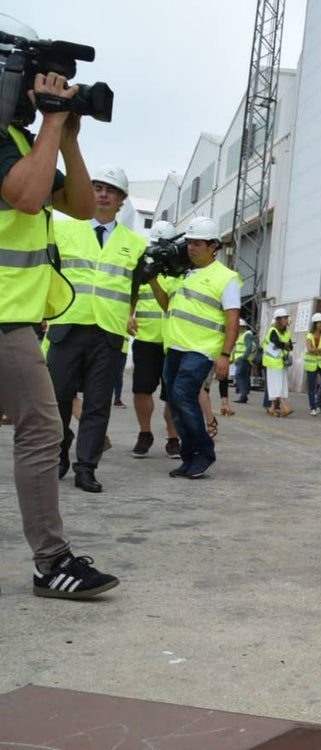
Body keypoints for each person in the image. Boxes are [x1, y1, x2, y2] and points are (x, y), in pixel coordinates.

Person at [0, 16, 119, 597]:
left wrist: (67, 137)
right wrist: (51, 123)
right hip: (3, 324)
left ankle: (52, 559)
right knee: (44, 431)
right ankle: (52, 562)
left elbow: (79, 206)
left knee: (40, 430)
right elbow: (24, 198)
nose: (59, 93)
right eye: (48, 82)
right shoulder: (4, 140)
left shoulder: (25, 141)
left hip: (17, 319)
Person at [47, 165, 147, 493]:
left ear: (121, 200)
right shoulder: (62, 230)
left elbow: (135, 289)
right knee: (58, 398)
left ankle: (86, 466)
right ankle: (59, 453)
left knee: (97, 403)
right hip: (67, 325)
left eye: (111, 190)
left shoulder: (135, 244)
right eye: (98, 187)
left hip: (108, 332)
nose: (103, 194)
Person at [152, 217, 241, 479]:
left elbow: (233, 319)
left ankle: (204, 451)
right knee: (176, 402)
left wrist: (225, 355)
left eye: (197, 243)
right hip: (175, 347)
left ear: (213, 246)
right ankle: (189, 457)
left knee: (182, 394)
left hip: (201, 349)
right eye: (189, 242)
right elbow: (168, 306)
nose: (191, 248)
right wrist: (154, 282)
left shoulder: (226, 278)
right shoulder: (182, 274)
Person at [129, 220, 181, 459]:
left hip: (171, 342)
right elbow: (132, 295)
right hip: (146, 339)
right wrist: (128, 316)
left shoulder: (178, 272)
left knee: (171, 394)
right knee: (141, 389)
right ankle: (145, 433)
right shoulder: (141, 266)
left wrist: (153, 279)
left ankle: (173, 437)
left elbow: (168, 305)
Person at [263, 308, 294, 416]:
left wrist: (284, 345)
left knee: (281, 385)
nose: (286, 320)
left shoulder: (286, 332)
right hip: (272, 362)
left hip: (281, 362)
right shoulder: (273, 331)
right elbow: (278, 342)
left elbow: (290, 346)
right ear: (278, 319)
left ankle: (272, 408)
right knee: (276, 385)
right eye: (284, 318)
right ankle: (285, 407)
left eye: (287, 317)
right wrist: (285, 345)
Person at [230, 318, 255, 404]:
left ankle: (243, 394)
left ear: (242, 327)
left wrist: (243, 357)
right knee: (243, 377)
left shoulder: (247, 335)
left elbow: (249, 347)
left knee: (238, 376)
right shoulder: (241, 336)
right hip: (241, 360)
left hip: (243, 359)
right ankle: (243, 395)